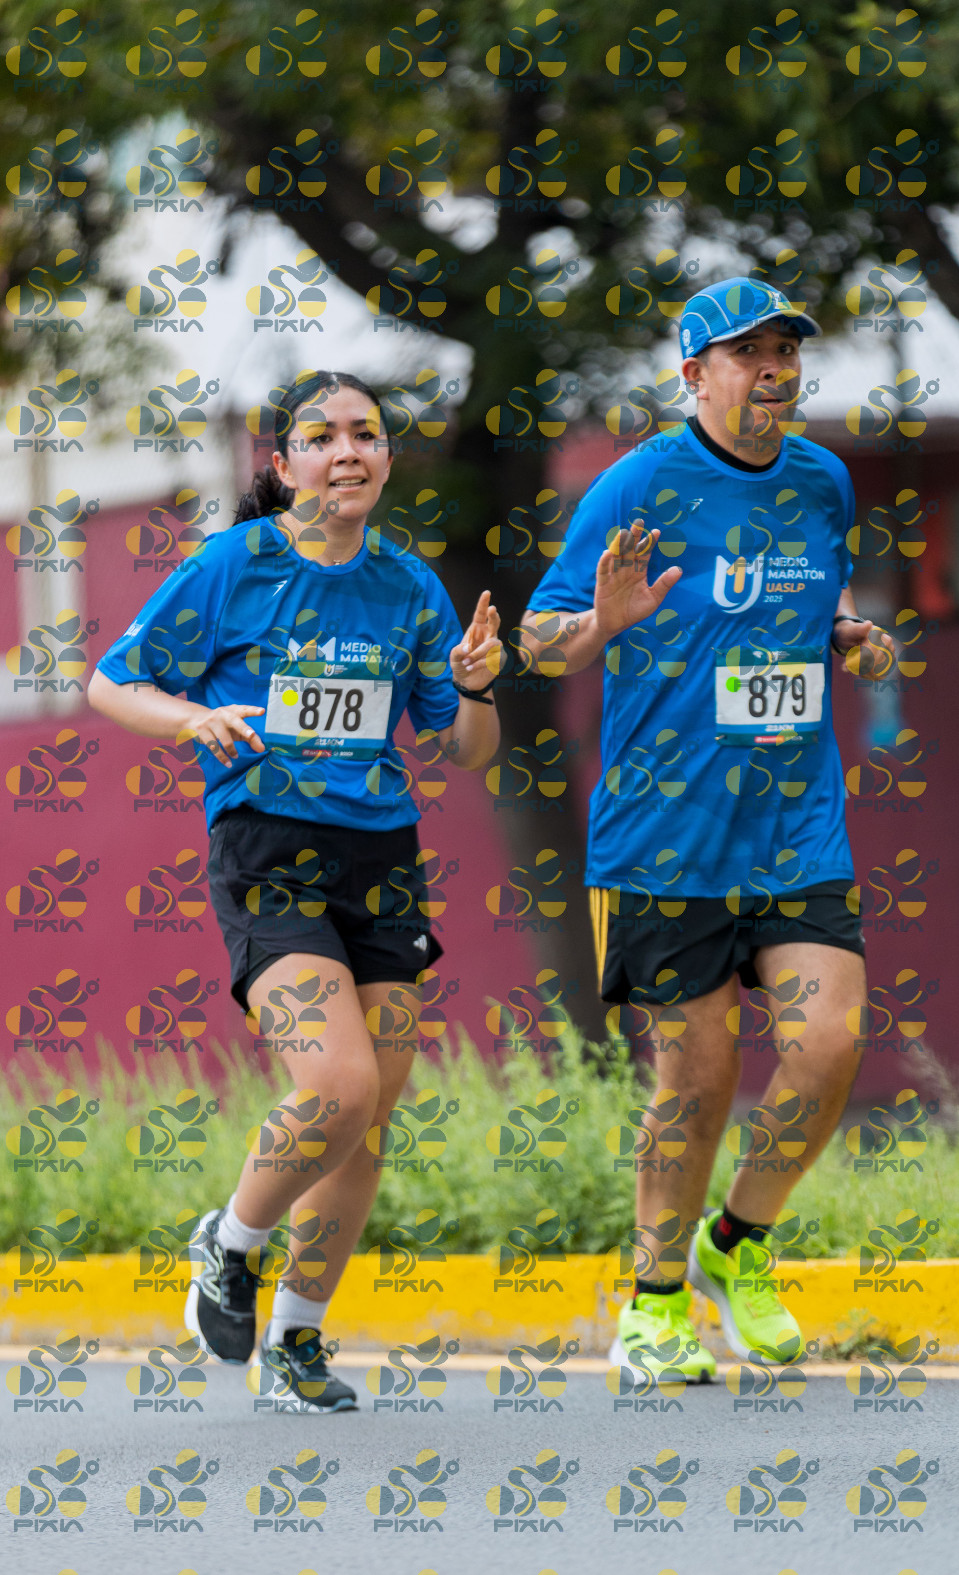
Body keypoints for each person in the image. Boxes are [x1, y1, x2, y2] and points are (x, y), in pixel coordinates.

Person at [88, 369, 503, 1411]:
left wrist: (480, 685)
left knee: (370, 1119)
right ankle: (229, 1242)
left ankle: (297, 1339)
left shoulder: (408, 585)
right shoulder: (234, 564)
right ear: (283, 464)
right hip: (268, 850)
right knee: (339, 1084)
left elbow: (465, 748)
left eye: (367, 433)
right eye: (322, 436)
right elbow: (110, 680)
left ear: (387, 455)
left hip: (381, 857)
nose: (348, 451)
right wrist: (192, 719)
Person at [520, 277, 896, 1380]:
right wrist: (602, 622)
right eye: (749, 352)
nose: (775, 367)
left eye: (786, 349)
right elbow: (538, 639)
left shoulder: (823, 481)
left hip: (795, 824)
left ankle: (739, 1240)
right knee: (698, 1077)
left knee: (828, 1044)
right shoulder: (636, 485)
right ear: (694, 374)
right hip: (664, 835)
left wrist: (850, 636)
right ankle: (654, 1300)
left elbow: (817, 600)